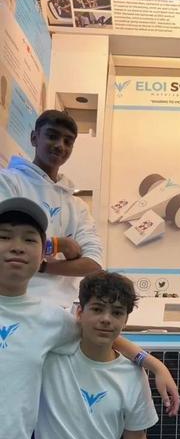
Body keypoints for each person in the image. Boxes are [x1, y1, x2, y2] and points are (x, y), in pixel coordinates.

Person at [0, 197, 179, 439]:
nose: (17, 247)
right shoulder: (58, 344)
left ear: (43, 252)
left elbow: (99, 333)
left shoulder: (51, 321)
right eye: (4, 236)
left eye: (29, 239)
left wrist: (153, 364)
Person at [36, 271, 158, 439]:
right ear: (79, 313)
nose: (106, 319)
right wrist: (154, 363)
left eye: (117, 313)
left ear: (125, 320)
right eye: (97, 309)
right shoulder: (50, 357)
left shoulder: (133, 374)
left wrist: (153, 365)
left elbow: (136, 438)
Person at [0, 109, 103, 309]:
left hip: (62, 309)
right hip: (11, 306)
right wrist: (59, 245)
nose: (60, 145)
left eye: (68, 141)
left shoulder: (77, 206)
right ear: (34, 138)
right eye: (52, 136)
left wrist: (44, 265)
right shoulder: (8, 182)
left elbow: (93, 263)